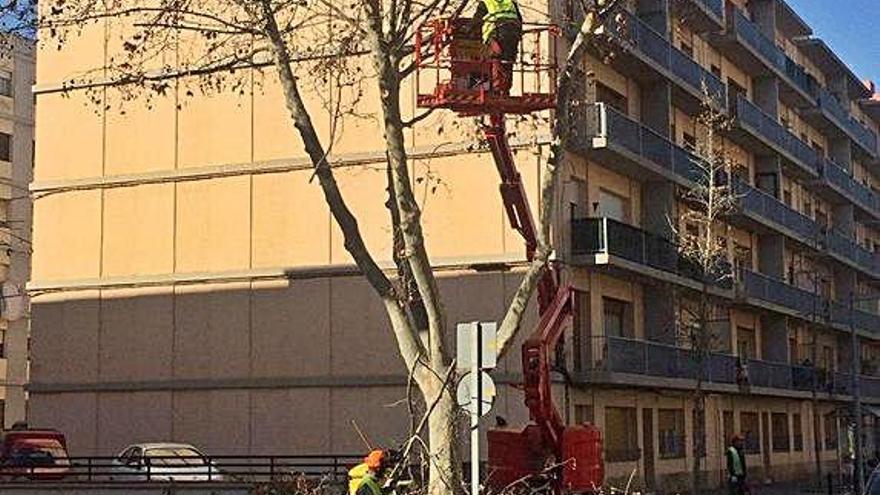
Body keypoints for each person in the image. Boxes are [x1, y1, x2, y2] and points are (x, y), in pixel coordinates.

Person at [472, 0, 522, 94]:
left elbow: (475, 22)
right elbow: (520, 20)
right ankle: (505, 89)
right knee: (508, 61)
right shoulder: (511, 3)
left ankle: (496, 89)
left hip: (497, 34)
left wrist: (466, 31)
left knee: (494, 58)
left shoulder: (486, 3)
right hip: (513, 35)